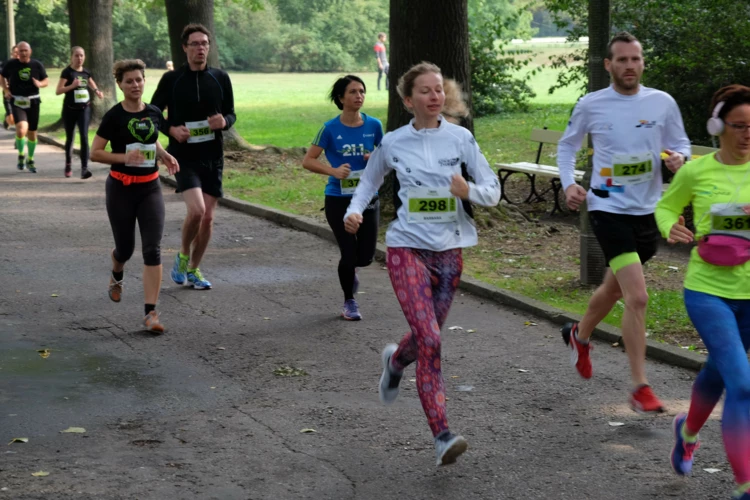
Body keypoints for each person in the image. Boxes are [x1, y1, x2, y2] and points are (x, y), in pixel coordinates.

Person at [343, 62, 500, 466]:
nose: (435, 97)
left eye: (439, 90)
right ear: (408, 100)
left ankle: (395, 362)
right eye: (426, 91)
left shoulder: (461, 139)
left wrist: (470, 191)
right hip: (406, 248)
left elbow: (493, 191)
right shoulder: (394, 142)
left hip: (449, 252)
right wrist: (355, 210)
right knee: (430, 339)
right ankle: (442, 434)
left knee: (424, 337)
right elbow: (369, 180)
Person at [557, 32, 691, 413]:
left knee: (614, 290)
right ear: (608, 65)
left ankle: (578, 336)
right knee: (638, 296)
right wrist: (569, 184)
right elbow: (567, 145)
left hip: (649, 213)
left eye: (636, 59)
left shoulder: (661, 102)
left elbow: (680, 143)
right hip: (607, 208)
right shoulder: (592, 104)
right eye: (622, 60)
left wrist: (678, 158)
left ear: (642, 63)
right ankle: (640, 387)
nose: (630, 66)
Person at [656, 84, 750, 500]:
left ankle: (688, 430)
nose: (748, 133)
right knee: (743, 384)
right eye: (739, 125)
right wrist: (669, 226)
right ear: (719, 127)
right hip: (707, 290)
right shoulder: (696, 170)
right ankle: (745, 484)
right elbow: (665, 206)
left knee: (719, 371)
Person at [90, 59, 179, 333]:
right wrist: (124, 157)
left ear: (144, 81)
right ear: (120, 84)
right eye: (129, 81)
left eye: (139, 80)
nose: (135, 85)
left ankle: (150, 313)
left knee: (152, 248)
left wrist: (163, 154)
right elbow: (95, 152)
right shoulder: (114, 116)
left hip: (150, 187)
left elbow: (151, 136)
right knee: (126, 249)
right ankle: (117, 271)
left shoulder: (153, 112)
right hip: (121, 187)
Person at [151, 23, 236, 291]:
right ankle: (183, 254)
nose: (201, 48)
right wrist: (171, 129)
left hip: (213, 156)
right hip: (183, 156)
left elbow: (231, 114)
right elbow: (153, 113)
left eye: (204, 44)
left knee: (208, 218)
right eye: (195, 44)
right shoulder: (171, 80)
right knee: (197, 211)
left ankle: (194, 269)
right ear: (185, 48)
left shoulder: (220, 78)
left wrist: (224, 121)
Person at [302, 75, 383, 320]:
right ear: (340, 98)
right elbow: (308, 160)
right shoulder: (329, 129)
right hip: (338, 198)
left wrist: (375, 157)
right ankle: (349, 301)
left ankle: (353, 268)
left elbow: (387, 154)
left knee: (366, 256)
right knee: (348, 253)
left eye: (362, 91)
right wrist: (333, 171)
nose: (359, 96)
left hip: (368, 197)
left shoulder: (374, 125)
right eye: (353, 92)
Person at [55, 46, 104, 178]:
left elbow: (91, 82)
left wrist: (97, 91)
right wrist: (72, 86)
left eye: (81, 55)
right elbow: (58, 91)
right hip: (70, 110)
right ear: (71, 57)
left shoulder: (86, 72)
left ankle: (84, 168)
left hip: (84, 109)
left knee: (84, 136)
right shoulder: (67, 72)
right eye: (76, 55)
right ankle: (68, 163)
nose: (79, 58)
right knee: (70, 137)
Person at [0, 42, 48, 173]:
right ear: (17, 52)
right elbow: (2, 76)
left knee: (32, 132)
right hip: (17, 101)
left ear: (30, 51)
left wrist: (40, 83)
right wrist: (5, 89)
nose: (23, 53)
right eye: (21, 51)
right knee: (21, 129)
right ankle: (21, 155)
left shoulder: (37, 65)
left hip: (33, 101)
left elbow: (46, 81)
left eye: (25, 50)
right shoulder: (11, 64)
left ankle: (30, 159)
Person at [3, 45, 17, 130]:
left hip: (20, 93)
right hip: (8, 92)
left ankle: (20, 135)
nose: (17, 54)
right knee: (11, 119)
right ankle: (7, 118)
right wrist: (5, 88)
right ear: (12, 54)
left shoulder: (25, 64)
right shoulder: (7, 64)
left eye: (18, 52)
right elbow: (1, 76)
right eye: (15, 52)